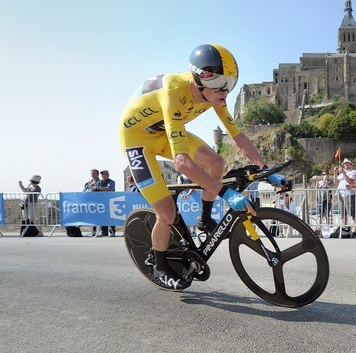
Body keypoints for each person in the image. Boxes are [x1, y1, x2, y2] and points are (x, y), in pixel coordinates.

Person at [119, 43, 286, 290]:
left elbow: (238, 137)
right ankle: (160, 264)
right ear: (200, 80)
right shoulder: (174, 93)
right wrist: (226, 194)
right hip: (137, 140)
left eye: (230, 85)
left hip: (162, 132)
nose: (226, 93)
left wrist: (264, 169)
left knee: (217, 161)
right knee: (165, 212)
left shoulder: (214, 93)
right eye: (221, 87)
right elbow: (182, 162)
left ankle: (204, 219)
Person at [334, 158, 356, 237]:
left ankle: (355, 230)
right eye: (344, 164)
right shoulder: (340, 174)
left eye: (347, 163)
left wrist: (344, 172)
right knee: (343, 214)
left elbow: (350, 181)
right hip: (341, 194)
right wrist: (335, 173)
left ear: (350, 164)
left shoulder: (353, 172)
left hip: (349, 194)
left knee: (352, 213)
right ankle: (345, 229)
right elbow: (335, 183)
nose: (346, 165)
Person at [96, 170, 117, 236]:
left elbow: (110, 189)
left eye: (105, 174)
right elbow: (95, 189)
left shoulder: (111, 182)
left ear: (108, 175)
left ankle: (112, 231)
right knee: (102, 216)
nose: (104, 175)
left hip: (110, 201)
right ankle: (103, 232)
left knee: (111, 216)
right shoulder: (99, 182)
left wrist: (99, 188)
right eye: (102, 174)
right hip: (101, 202)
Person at [177, 172, 197, 237]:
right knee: (186, 214)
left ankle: (194, 230)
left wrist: (189, 194)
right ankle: (188, 230)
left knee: (194, 213)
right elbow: (179, 186)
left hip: (193, 197)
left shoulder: (193, 175)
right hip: (183, 198)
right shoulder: (180, 177)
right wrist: (182, 194)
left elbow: (194, 185)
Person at [84, 169, 101, 236]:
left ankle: (103, 230)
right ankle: (94, 230)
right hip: (90, 202)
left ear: (97, 174)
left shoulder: (100, 182)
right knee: (93, 216)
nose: (92, 175)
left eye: (94, 173)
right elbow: (84, 190)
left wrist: (95, 188)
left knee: (98, 216)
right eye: (91, 173)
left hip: (98, 201)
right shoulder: (88, 182)